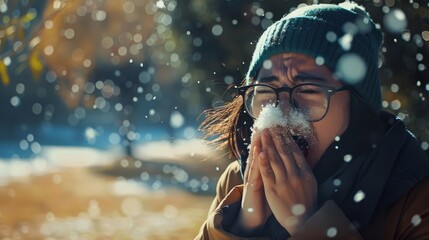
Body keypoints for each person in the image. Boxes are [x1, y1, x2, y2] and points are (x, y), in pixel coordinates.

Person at [195, 1, 429, 239]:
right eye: (265, 91)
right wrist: (243, 226)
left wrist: (306, 222)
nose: (282, 112)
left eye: (308, 90)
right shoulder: (239, 182)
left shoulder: (415, 195)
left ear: (359, 108)